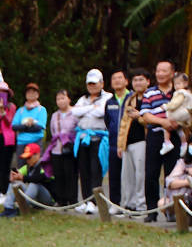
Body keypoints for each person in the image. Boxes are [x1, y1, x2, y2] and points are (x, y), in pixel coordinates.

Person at [69, 69, 112, 211]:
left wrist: (85, 110)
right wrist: (91, 107)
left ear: (102, 83)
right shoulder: (83, 98)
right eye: (89, 84)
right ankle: (86, 200)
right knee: (84, 170)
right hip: (82, 139)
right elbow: (74, 112)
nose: (92, 86)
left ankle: (95, 200)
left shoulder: (108, 97)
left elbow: (101, 112)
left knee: (96, 170)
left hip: (98, 139)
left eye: (94, 83)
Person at [138, 61, 175, 221]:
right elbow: (145, 115)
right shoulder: (150, 93)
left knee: (172, 174)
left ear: (172, 73)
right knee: (151, 173)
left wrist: (174, 124)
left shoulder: (179, 92)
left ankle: (171, 210)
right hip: (154, 136)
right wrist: (163, 122)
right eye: (158, 71)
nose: (160, 74)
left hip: (174, 137)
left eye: (164, 71)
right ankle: (151, 210)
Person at [117, 69, 151, 211]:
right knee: (127, 176)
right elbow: (124, 123)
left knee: (140, 175)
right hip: (128, 142)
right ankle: (129, 204)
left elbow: (153, 120)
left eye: (141, 80)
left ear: (148, 82)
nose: (138, 83)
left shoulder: (150, 97)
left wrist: (140, 117)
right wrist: (120, 144)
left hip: (142, 141)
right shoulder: (130, 99)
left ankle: (141, 204)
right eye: (135, 80)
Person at [104, 69, 131, 206]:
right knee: (114, 176)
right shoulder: (110, 101)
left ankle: (128, 204)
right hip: (113, 143)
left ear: (126, 81)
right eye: (114, 78)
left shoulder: (131, 98)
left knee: (128, 176)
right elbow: (108, 121)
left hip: (128, 142)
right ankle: (115, 204)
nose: (117, 81)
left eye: (120, 78)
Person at [47, 89, 78, 206]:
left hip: (70, 148)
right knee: (58, 175)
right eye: (58, 99)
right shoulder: (55, 115)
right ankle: (61, 200)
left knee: (71, 175)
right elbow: (52, 131)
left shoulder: (75, 113)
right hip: (56, 149)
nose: (60, 101)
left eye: (63, 98)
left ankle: (73, 200)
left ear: (69, 99)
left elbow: (77, 129)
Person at [13, 83, 47, 167]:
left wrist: (23, 127)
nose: (31, 94)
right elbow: (14, 126)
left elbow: (40, 127)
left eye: (33, 92)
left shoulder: (41, 109)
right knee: (21, 169)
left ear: (37, 95)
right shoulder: (20, 110)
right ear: (25, 95)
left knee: (36, 169)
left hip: (36, 142)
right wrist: (28, 125)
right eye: (28, 92)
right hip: (21, 143)